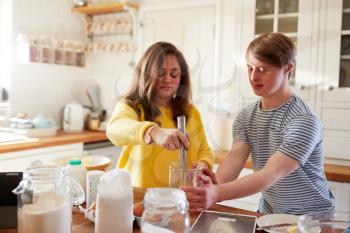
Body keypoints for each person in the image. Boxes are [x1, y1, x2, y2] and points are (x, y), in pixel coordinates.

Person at [182, 32, 335, 215]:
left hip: (312, 219)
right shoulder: (246, 116)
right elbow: (235, 158)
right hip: (268, 216)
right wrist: (212, 186)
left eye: (263, 69)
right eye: (250, 68)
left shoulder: (303, 121)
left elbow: (272, 172)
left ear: (288, 68)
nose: (253, 77)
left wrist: (216, 193)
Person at [106, 42, 214, 188]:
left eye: (174, 74)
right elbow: (115, 128)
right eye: (161, 73)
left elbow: (204, 150)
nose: (168, 79)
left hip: (180, 198)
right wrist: (153, 132)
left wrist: (201, 166)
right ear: (146, 74)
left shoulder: (191, 112)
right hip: (138, 198)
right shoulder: (132, 106)